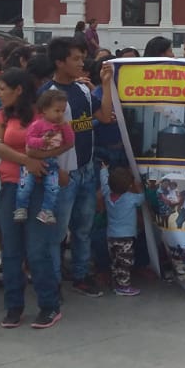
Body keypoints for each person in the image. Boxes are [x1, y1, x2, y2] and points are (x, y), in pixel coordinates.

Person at [0, 68, 63, 328]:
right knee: (11, 250)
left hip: (40, 187)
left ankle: (49, 305)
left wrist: (37, 160)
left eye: (2, 89)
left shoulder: (41, 113)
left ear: (18, 89)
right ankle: (14, 307)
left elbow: (57, 141)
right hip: (8, 185)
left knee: (36, 249)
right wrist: (27, 160)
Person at [40, 36, 114, 297]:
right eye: (76, 58)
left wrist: (105, 86)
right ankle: (53, 281)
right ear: (60, 62)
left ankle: (81, 275)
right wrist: (56, 169)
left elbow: (104, 116)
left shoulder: (83, 90)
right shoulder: (48, 95)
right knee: (57, 232)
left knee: (83, 228)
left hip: (86, 168)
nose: (81, 63)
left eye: (83, 58)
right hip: (63, 173)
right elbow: (42, 138)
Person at [14, 89, 73, 225]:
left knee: (53, 187)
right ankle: (20, 207)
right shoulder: (37, 125)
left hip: (51, 163)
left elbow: (70, 141)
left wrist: (65, 127)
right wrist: (42, 141)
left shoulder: (62, 126)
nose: (60, 115)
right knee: (25, 185)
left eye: (62, 111)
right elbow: (29, 141)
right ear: (45, 110)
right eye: (57, 111)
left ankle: (46, 211)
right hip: (32, 161)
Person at [99, 164, 144, 296]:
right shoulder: (130, 198)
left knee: (115, 261)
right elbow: (143, 198)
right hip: (125, 238)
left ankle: (116, 283)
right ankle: (123, 286)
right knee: (125, 262)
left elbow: (104, 181)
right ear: (129, 185)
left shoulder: (107, 193)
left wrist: (103, 169)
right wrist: (139, 187)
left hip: (111, 236)